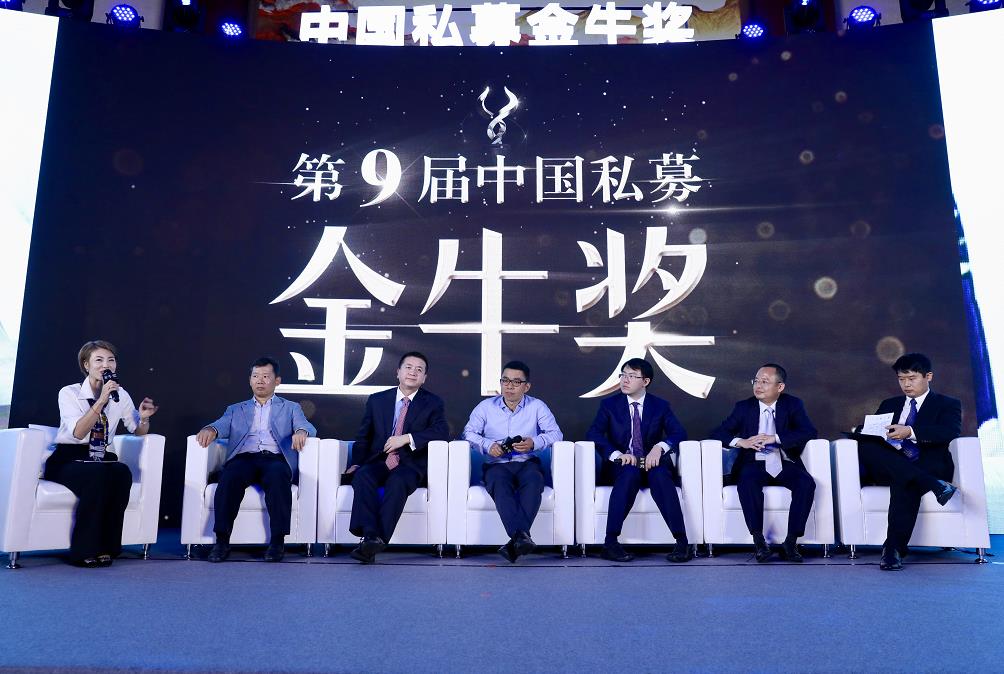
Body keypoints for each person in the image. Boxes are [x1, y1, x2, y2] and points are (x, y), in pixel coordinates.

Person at [49, 340, 159, 567]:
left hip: (100, 457)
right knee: (98, 476)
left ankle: (108, 547)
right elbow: (79, 432)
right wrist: (101, 400)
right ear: (86, 364)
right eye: (98, 360)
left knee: (121, 473)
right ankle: (84, 550)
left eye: (110, 360)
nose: (105, 365)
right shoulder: (69, 393)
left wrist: (144, 418)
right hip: (70, 457)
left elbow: (137, 430)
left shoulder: (121, 394)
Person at [196, 357, 316, 563]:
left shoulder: (290, 407)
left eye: (266, 376)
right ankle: (222, 541)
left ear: (277, 381)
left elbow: (306, 426)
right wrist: (211, 429)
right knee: (229, 477)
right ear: (250, 380)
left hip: (274, 459)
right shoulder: (236, 409)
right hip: (244, 458)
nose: (260, 380)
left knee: (278, 477)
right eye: (255, 376)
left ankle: (277, 542)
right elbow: (221, 424)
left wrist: (301, 431)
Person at [855, 353, 960, 571]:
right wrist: (865, 431)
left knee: (904, 481)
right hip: (891, 463)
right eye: (901, 379)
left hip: (927, 463)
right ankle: (934, 485)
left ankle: (892, 550)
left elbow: (948, 432)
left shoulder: (947, 404)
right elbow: (874, 432)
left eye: (912, 378)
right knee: (866, 445)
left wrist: (910, 432)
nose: (906, 384)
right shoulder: (889, 404)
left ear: (928, 376)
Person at [586, 358, 692, 563]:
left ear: (645, 381)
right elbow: (594, 433)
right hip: (624, 464)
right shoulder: (609, 405)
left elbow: (679, 433)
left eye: (632, 376)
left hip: (653, 463)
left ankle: (682, 542)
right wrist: (617, 455)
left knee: (661, 476)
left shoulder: (660, 406)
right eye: (623, 375)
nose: (625, 380)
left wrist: (659, 448)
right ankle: (610, 543)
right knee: (629, 473)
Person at [346, 352, 449, 563]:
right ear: (398, 372)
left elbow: (442, 432)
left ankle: (373, 542)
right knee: (363, 475)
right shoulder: (377, 400)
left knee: (398, 481)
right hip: (380, 460)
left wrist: (406, 438)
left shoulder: (433, 402)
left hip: (411, 464)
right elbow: (363, 436)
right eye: (408, 367)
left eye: (419, 370)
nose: (413, 372)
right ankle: (371, 535)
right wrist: (356, 463)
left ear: (424, 378)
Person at [709, 364, 817, 563]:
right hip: (754, 461)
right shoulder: (744, 407)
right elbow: (718, 432)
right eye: (756, 381)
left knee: (806, 483)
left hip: (783, 461)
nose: (758, 386)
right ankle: (759, 542)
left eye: (765, 382)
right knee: (747, 482)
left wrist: (776, 438)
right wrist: (741, 441)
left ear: (780, 387)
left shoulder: (793, 404)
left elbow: (809, 431)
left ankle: (791, 542)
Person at [462, 360, 563, 563]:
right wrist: (488, 445)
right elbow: (468, 433)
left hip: (527, 462)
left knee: (534, 481)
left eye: (516, 382)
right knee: (499, 483)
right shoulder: (486, 407)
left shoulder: (537, 406)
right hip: (496, 464)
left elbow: (556, 434)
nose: (509, 386)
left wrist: (534, 443)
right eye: (505, 380)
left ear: (527, 386)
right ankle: (520, 538)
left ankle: (515, 543)